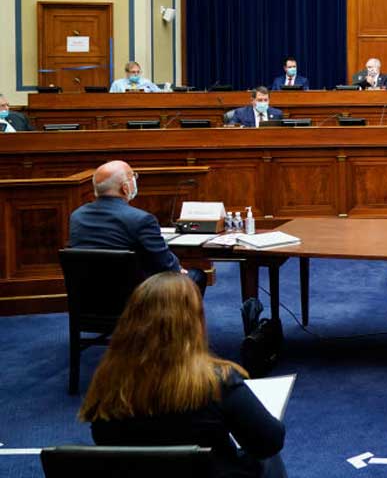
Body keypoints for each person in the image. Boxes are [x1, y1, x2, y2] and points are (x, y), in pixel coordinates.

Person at [80, 272, 287, 478]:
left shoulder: (107, 383)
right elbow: (269, 442)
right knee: (267, 459)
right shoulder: (216, 382)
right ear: (194, 322)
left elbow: (101, 439)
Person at [68, 160, 206, 294]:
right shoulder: (141, 219)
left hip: (89, 293)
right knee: (196, 276)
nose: (135, 180)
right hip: (136, 300)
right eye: (132, 176)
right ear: (125, 188)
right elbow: (165, 264)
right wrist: (178, 269)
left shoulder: (77, 217)